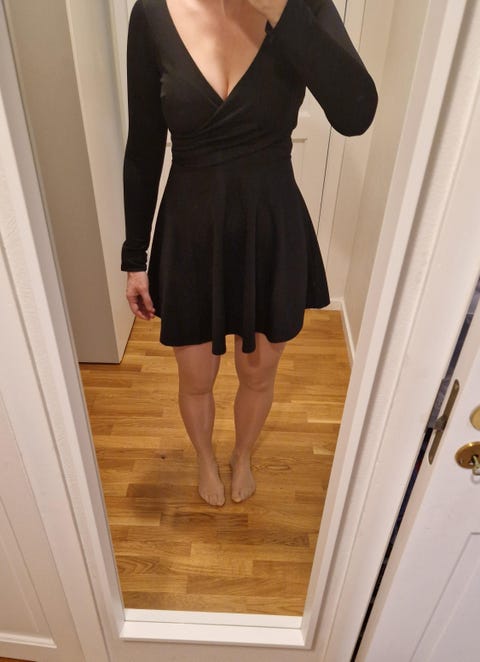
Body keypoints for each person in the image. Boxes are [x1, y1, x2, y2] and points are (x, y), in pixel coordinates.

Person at [121, 0, 378, 507]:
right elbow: (145, 143)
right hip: (191, 233)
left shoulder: (302, 6)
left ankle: (242, 455)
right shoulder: (151, 12)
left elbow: (355, 114)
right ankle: (203, 457)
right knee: (196, 377)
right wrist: (135, 257)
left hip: (270, 229)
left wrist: (282, 11)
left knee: (258, 372)